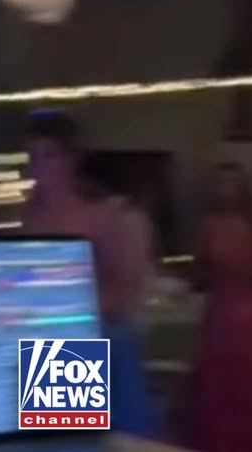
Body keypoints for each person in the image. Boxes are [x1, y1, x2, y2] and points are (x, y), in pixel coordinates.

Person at [22, 111, 157, 437]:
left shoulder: (98, 217)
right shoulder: (29, 220)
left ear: (71, 159)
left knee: (79, 440)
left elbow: (124, 287)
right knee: (52, 440)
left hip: (85, 341)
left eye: (49, 155)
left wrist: (80, 313)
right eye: (33, 156)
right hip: (44, 342)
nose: (39, 166)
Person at [187, 162, 252, 452]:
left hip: (248, 306)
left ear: (243, 188)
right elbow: (198, 270)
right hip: (220, 306)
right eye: (221, 182)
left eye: (232, 182)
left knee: (248, 380)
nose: (226, 189)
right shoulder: (208, 226)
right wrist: (211, 272)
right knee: (217, 380)